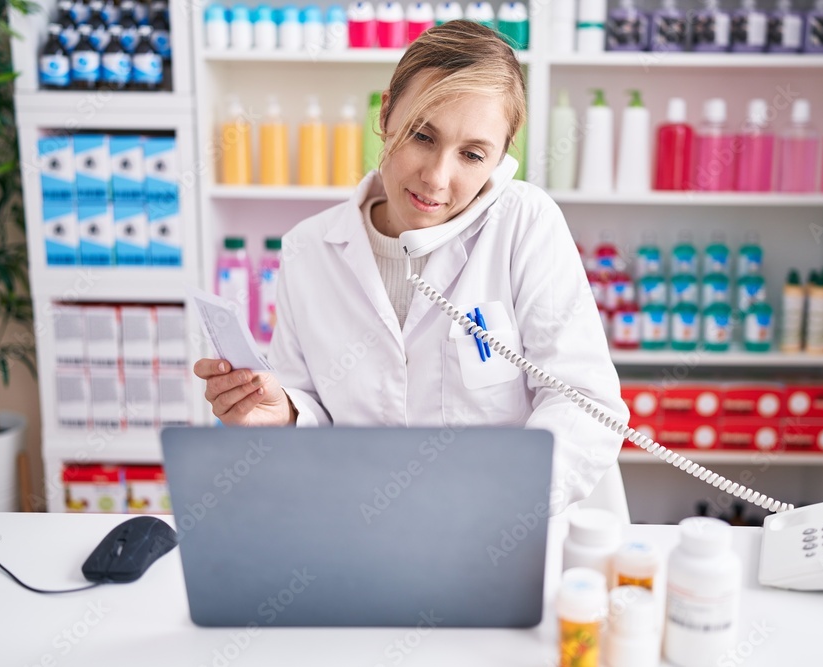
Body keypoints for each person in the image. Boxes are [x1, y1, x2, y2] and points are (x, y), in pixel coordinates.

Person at [194, 20, 629, 514]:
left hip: (504, 528)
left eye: (472, 154)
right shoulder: (308, 249)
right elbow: (312, 405)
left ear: (500, 160)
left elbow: (585, 404)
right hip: (365, 525)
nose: (437, 177)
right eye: (423, 136)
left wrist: (502, 504)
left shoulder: (524, 225)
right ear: (386, 115)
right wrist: (283, 414)